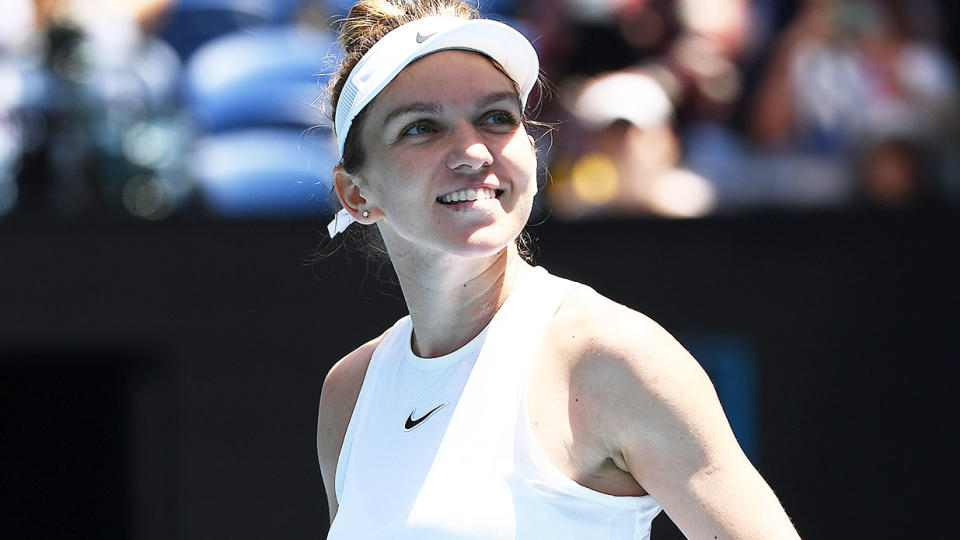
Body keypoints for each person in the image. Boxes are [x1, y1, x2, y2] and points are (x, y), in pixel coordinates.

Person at [316, 1, 800, 538]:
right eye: (421, 127)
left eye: (496, 117)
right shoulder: (349, 392)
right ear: (355, 193)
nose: (474, 151)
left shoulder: (611, 357)